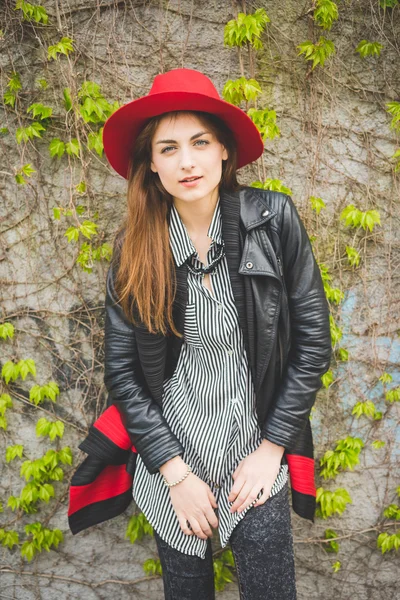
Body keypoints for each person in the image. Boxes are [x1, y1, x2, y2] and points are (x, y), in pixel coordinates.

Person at [101, 68, 332, 600]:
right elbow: (123, 374)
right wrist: (174, 474)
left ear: (224, 149)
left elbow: (313, 345)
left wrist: (271, 448)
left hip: (256, 451)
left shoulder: (273, 219)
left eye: (200, 142)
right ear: (151, 164)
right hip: (172, 459)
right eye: (168, 148)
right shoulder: (133, 250)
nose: (187, 162)